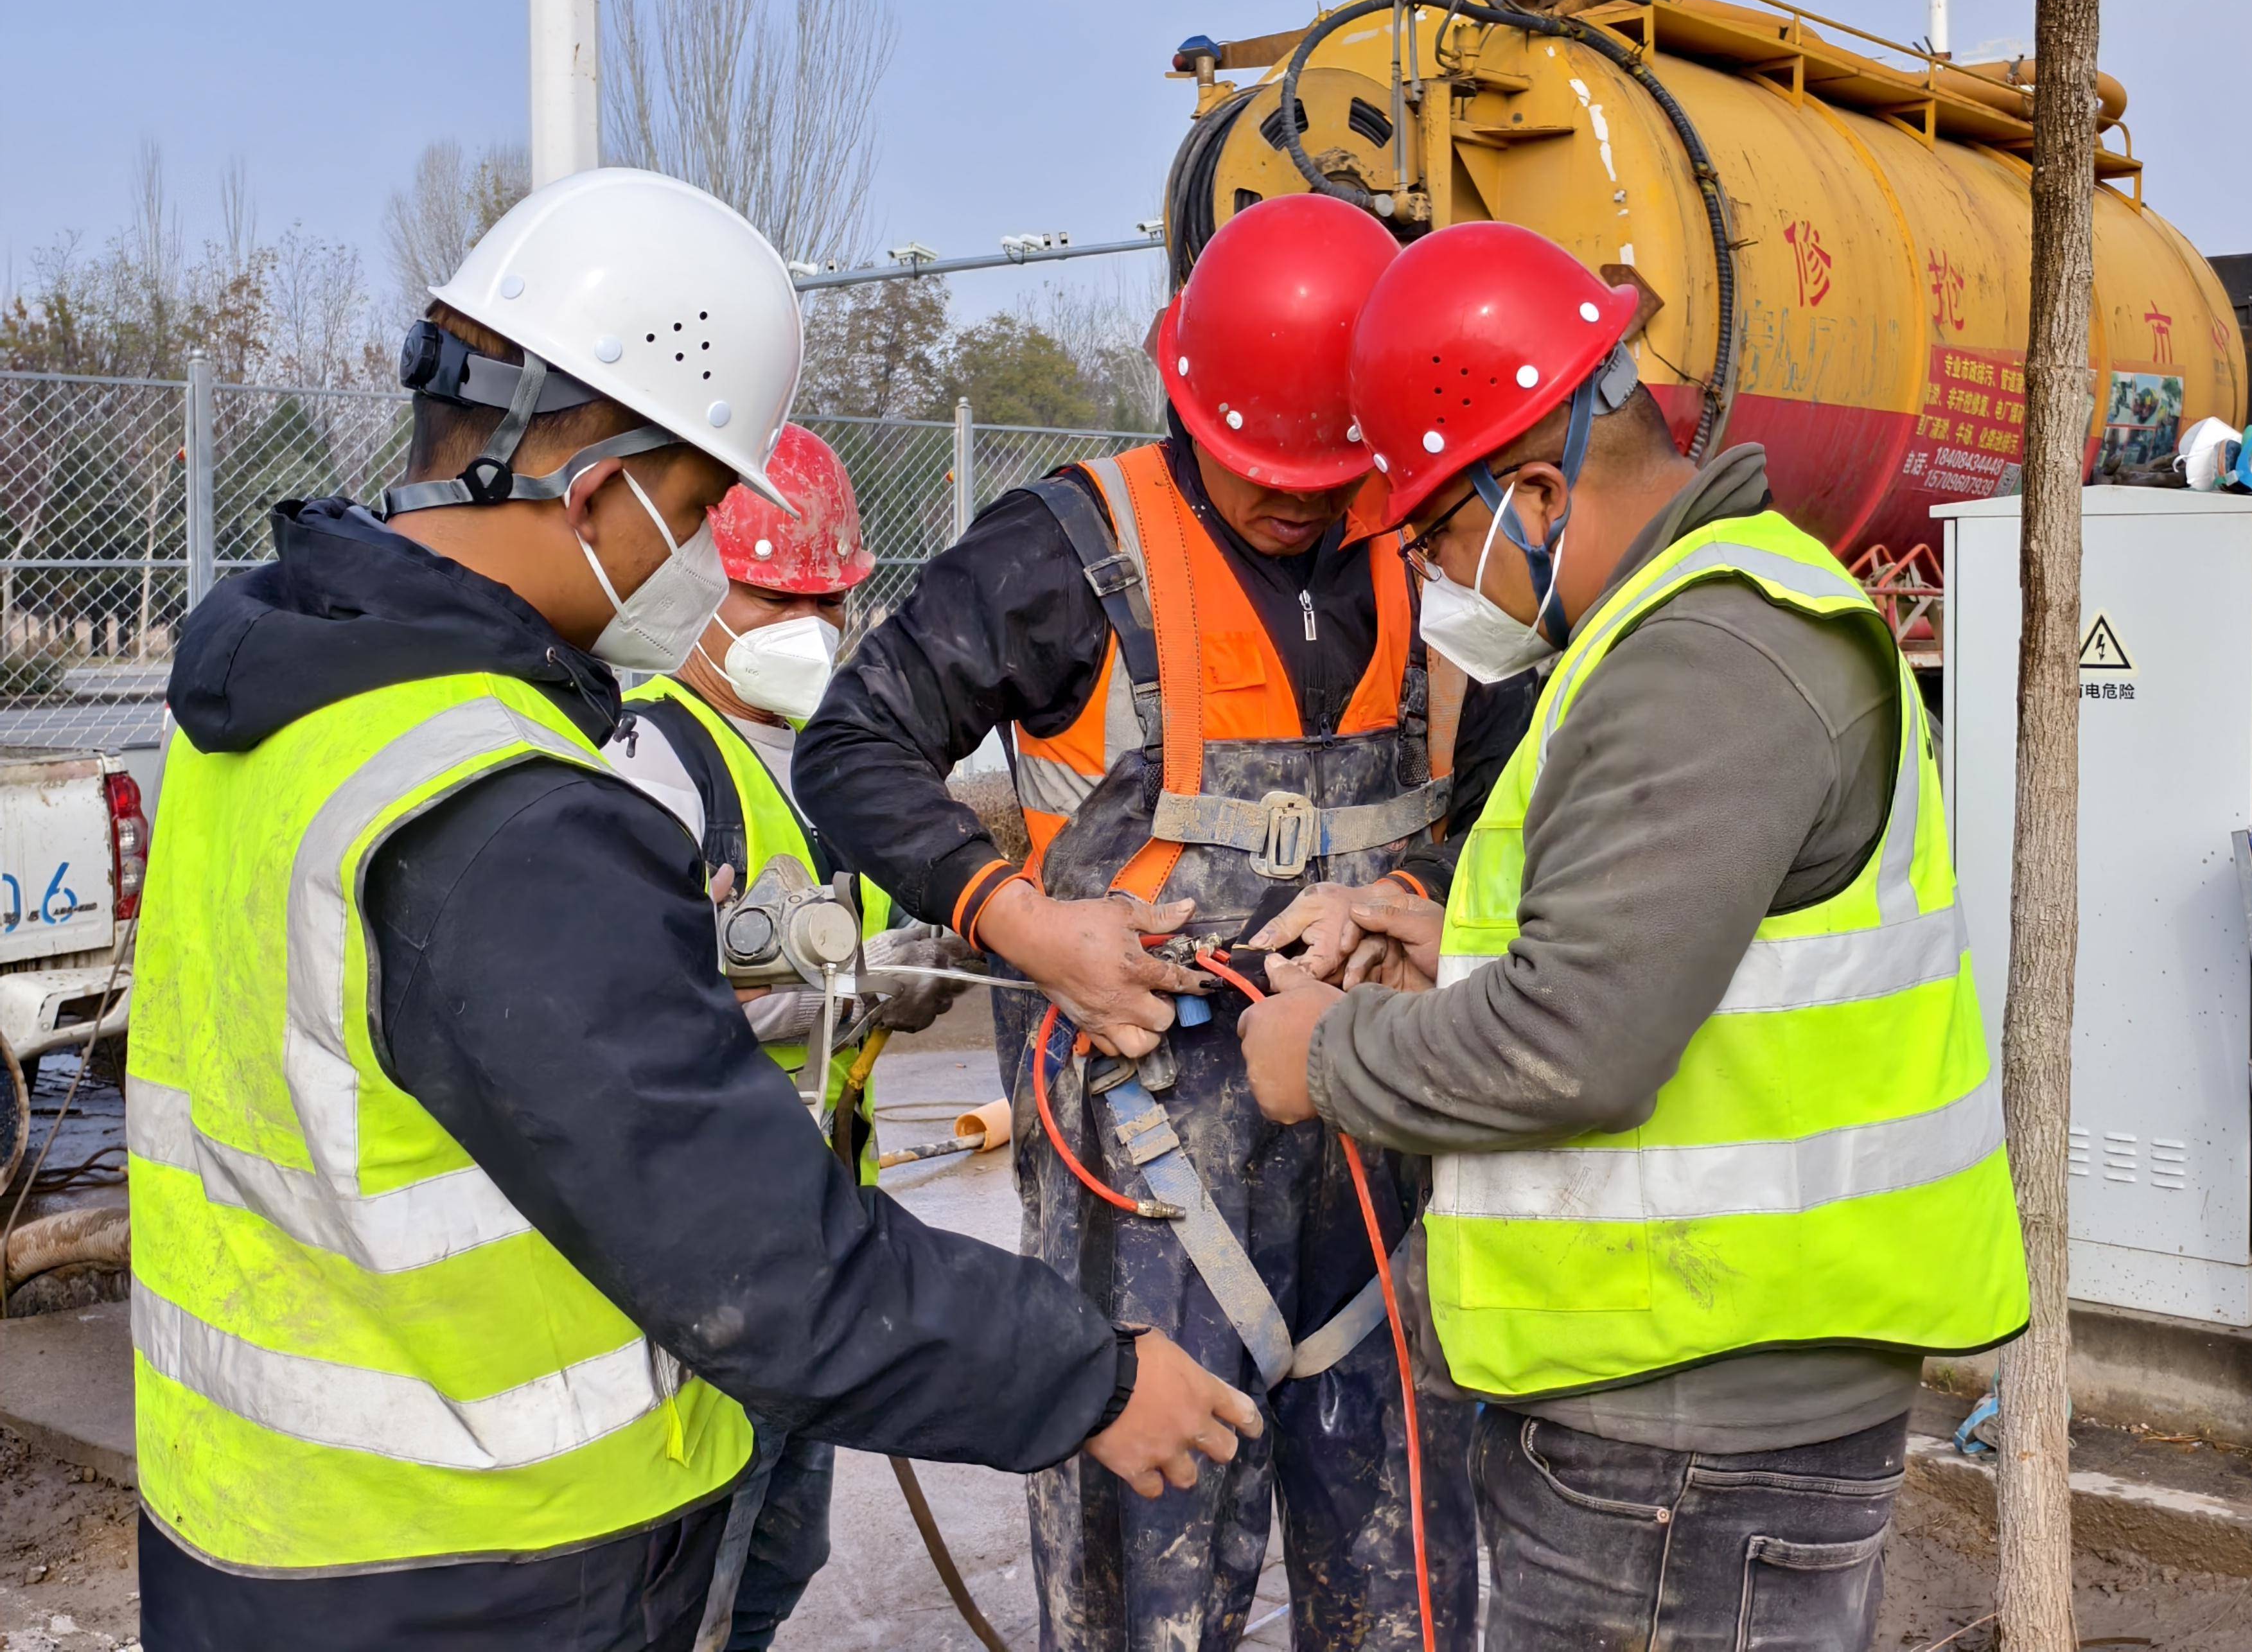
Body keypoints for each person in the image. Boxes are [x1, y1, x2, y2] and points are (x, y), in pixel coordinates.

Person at [125, 167, 1259, 1652]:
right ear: (595, 491)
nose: (698, 562)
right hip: (484, 1571)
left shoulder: (284, 706)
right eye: (697, 508)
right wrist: (1091, 1378)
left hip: (254, 1535)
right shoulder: (501, 813)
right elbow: (755, 1260)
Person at [1235, 221, 2030, 1652]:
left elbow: (1577, 1047)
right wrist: (1439, 954)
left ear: (1534, 492)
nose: (1430, 583)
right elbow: (1677, 977)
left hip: (1685, 1447)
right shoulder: (1698, 624)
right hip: (1692, 1414)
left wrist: (1329, 1055)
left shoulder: (1698, 655)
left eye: (1431, 535)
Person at [795, 193, 1529, 1652]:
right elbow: (850, 749)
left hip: (1370, 1134)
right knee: (1149, 1576)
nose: (1292, 503)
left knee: (1401, 1575)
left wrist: (1426, 901)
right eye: (1259, 470)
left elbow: (1523, 787)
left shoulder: (1429, 558)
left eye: (1327, 477)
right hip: (1142, 1148)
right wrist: (1023, 923)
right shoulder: (1068, 551)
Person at [601, 417, 980, 1651]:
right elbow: (629, 1010)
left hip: (811, 1231)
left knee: (782, 1543)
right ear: (701, 591)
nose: (807, 630)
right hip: (707, 1245)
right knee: (702, 1553)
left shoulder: (823, 765)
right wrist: (855, 993)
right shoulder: (656, 762)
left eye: (830, 599)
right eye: (774, 594)